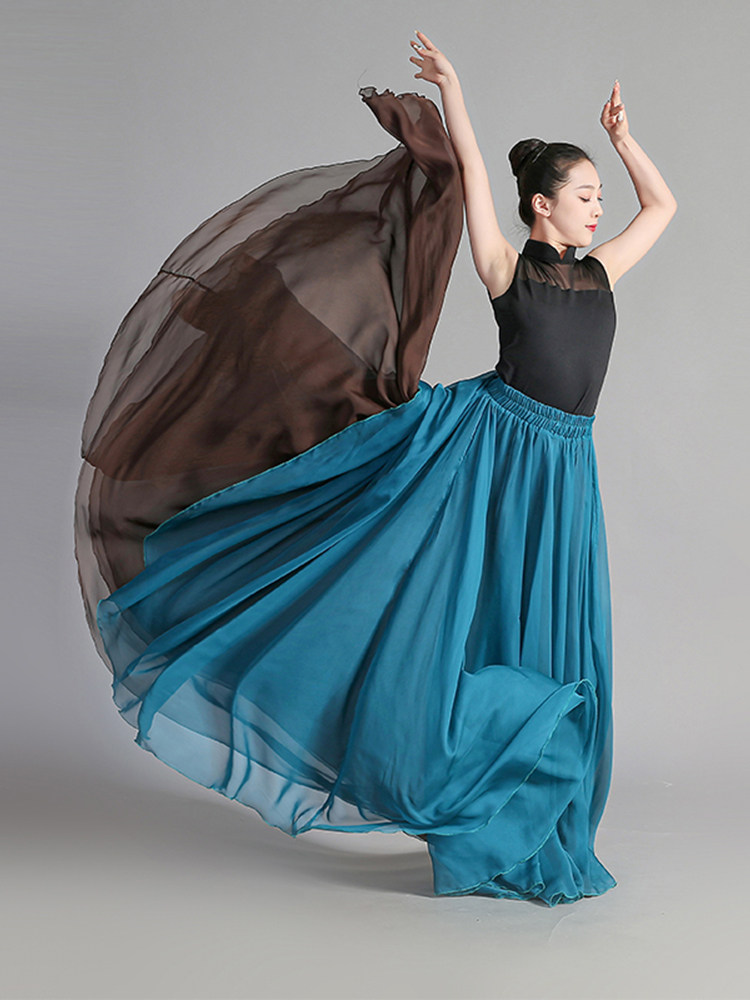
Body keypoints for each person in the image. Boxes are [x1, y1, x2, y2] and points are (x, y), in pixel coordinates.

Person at [74, 31, 677, 907]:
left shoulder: (601, 276)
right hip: (494, 454)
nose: (598, 210)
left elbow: (662, 207)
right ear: (541, 207)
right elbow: (473, 170)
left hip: (566, 471)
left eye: (599, 199)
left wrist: (623, 141)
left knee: (556, 628)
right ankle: (455, 782)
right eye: (585, 196)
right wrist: (455, 90)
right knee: (450, 608)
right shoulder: (508, 269)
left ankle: (532, 819)